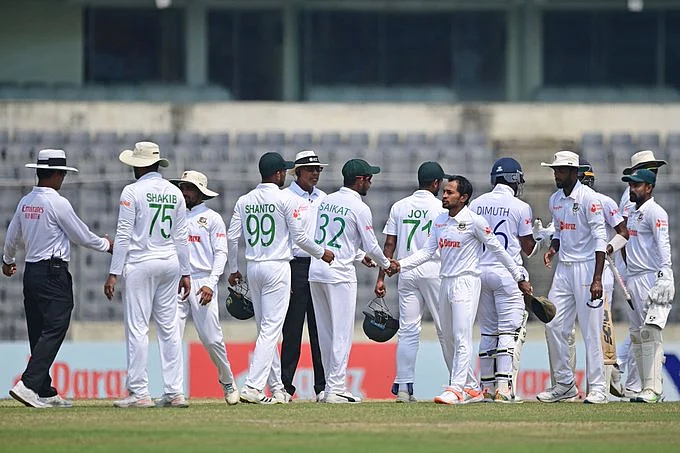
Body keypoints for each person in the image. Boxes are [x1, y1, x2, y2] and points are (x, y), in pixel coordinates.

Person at [394, 175, 532, 405]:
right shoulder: (439, 220)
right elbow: (427, 252)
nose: (444, 195)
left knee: (461, 336)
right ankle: (471, 387)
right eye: (444, 191)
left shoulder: (475, 221)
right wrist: (400, 265)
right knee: (447, 337)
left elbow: (498, 250)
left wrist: (518, 276)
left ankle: (457, 388)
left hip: (466, 282)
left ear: (463, 197)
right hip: (445, 281)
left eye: (449, 193)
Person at [3, 149, 113, 408]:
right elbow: (81, 235)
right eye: (62, 173)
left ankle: (44, 390)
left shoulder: (26, 201)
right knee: (56, 327)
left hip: (31, 271)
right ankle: (28, 384)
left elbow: (11, 235)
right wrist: (106, 245)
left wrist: (7, 261)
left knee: (38, 329)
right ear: (54, 174)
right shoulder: (57, 202)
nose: (63, 178)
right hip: (53, 272)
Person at [227, 152, 334, 405]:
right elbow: (299, 237)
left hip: (253, 267)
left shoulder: (245, 200)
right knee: (271, 331)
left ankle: (276, 388)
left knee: (265, 329)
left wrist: (233, 269)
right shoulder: (285, 199)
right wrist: (322, 253)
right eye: (283, 172)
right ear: (277, 174)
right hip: (278, 267)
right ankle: (253, 386)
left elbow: (232, 237)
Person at [104, 141, 191, 408]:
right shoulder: (174, 192)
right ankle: (175, 392)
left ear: (139, 165)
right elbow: (181, 236)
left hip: (141, 263)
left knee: (138, 328)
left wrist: (113, 273)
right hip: (169, 264)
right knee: (169, 329)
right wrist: (186, 272)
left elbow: (124, 232)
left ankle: (140, 393)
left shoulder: (132, 191)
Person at [309, 158, 394, 404]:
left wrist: (358, 256)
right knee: (341, 333)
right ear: (359, 180)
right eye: (368, 179)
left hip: (317, 270)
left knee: (325, 332)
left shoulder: (326, 200)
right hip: (339, 274)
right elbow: (372, 244)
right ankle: (336, 388)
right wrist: (386, 264)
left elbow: (326, 238)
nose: (370, 182)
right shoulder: (359, 207)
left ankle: (327, 387)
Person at [469, 157, 550, 403]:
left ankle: (487, 388)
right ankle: (504, 388)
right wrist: (541, 237)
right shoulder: (519, 206)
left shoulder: (476, 203)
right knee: (508, 330)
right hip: (507, 274)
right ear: (515, 179)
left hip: (480, 273)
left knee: (487, 333)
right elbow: (527, 248)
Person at [374, 161, 453, 403]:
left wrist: (381, 277)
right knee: (445, 329)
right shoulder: (442, 207)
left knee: (408, 332)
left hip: (405, 270)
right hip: (434, 269)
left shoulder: (400, 206)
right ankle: (457, 385)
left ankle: (404, 388)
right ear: (437, 183)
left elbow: (389, 245)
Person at [538, 150, 608, 404]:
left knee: (591, 330)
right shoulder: (555, 199)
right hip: (564, 269)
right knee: (554, 324)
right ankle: (565, 384)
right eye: (554, 170)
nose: (555, 174)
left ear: (573, 172)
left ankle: (598, 387)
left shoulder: (589, 198)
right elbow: (558, 230)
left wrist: (598, 278)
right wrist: (553, 248)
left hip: (588, 268)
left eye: (560, 170)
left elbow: (601, 238)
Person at [170, 170, 239, 405]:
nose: (184, 192)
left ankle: (227, 380)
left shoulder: (211, 218)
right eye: (182, 187)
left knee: (211, 339)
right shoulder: (172, 215)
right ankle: (174, 391)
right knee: (172, 337)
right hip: (177, 281)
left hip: (202, 282)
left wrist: (210, 283)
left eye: (189, 188)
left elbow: (221, 253)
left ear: (200, 193)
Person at [616, 150, 666, 397]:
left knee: (649, 332)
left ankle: (649, 386)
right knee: (638, 333)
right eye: (649, 167)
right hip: (633, 273)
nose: (654, 170)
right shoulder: (630, 202)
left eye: (654, 168)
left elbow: (662, 245)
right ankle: (639, 385)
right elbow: (625, 237)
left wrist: (664, 274)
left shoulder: (653, 210)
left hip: (647, 275)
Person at [280, 150, 328, 402]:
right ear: (297, 172)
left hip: (319, 264)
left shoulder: (324, 199)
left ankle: (322, 387)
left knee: (320, 327)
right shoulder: (285, 198)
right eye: (310, 169)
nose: (315, 174)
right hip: (295, 265)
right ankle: (285, 387)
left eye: (318, 169)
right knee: (292, 329)